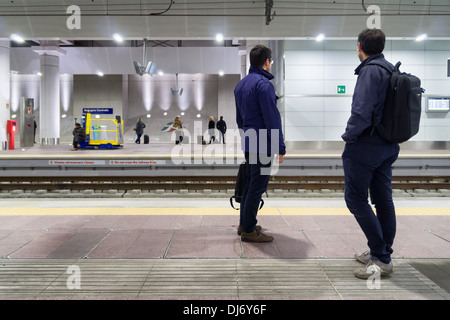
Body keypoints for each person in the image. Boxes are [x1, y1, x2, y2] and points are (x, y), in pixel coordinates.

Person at [341, 29, 399, 279]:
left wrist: (349, 136)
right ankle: (383, 252)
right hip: (388, 145)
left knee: (355, 199)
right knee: (383, 199)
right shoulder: (390, 69)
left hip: (366, 144)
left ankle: (380, 256)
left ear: (359, 46)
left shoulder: (369, 70)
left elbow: (361, 111)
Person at [234, 44, 286, 243]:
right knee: (257, 186)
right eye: (270, 61)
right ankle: (248, 229)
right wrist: (280, 146)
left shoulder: (241, 85)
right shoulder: (263, 85)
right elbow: (272, 118)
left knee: (250, 183)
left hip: (249, 141)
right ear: (267, 62)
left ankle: (245, 223)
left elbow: (239, 119)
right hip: (263, 143)